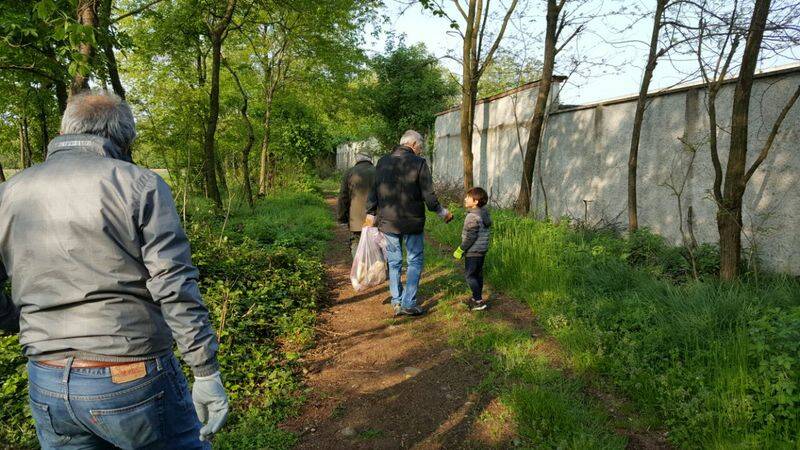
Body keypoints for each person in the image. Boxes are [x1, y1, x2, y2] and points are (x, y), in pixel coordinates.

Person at [0, 90, 227, 450]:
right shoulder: (139, 184)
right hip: (131, 373)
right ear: (123, 139)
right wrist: (205, 370)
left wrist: (21, 320)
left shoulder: (9, 192)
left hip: (47, 376)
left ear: (65, 130)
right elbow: (173, 283)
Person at [365, 130, 453, 317]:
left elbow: (374, 190)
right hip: (413, 222)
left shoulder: (382, 162)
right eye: (420, 147)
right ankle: (409, 303)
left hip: (388, 221)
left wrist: (370, 213)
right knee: (414, 260)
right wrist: (442, 212)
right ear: (413, 144)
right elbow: (429, 196)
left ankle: (397, 301)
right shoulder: (419, 163)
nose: (420, 150)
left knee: (394, 261)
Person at [453, 187, 492, 311]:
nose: (465, 199)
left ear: (475, 201)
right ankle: (476, 298)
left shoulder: (472, 216)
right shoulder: (484, 213)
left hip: (473, 251)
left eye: (468, 197)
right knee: (478, 275)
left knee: (470, 276)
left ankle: (478, 301)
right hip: (481, 251)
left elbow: (471, 237)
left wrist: (460, 249)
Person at [337, 152, 376, 257]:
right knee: (376, 245)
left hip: (356, 220)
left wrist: (342, 217)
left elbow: (343, 197)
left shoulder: (350, 173)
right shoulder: (378, 171)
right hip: (376, 218)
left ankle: (358, 265)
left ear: (357, 160)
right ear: (370, 159)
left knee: (356, 242)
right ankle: (375, 266)